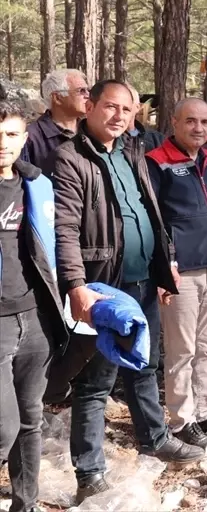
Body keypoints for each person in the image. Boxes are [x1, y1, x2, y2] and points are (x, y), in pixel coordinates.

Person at [54, 80, 202, 502]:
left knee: (144, 364)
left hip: (143, 280)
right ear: (90, 107)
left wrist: (165, 265)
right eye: (110, 107)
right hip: (105, 285)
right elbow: (65, 229)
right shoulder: (70, 157)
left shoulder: (132, 150)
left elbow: (151, 213)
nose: (119, 116)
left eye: (126, 109)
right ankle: (89, 473)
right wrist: (77, 286)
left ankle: (154, 438)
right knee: (97, 380)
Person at [146, 99, 207, 448]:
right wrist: (165, 268)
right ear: (174, 122)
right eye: (191, 121)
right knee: (181, 350)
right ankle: (182, 419)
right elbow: (155, 220)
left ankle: (205, 409)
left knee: (206, 346)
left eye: (205, 122)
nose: (198, 128)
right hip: (181, 273)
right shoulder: (157, 162)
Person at [0, 100, 68, 512]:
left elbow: (53, 246)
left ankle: (25, 504)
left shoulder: (37, 185)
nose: (2, 143)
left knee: (29, 421)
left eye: (11, 134)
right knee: (3, 428)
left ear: (24, 138)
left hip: (35, 316)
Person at [22, 68, 89, 176]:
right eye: (81, 90)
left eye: (87, 90)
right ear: (57, 98)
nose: (87, 95)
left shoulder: (92, 129)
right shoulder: (30, 137)